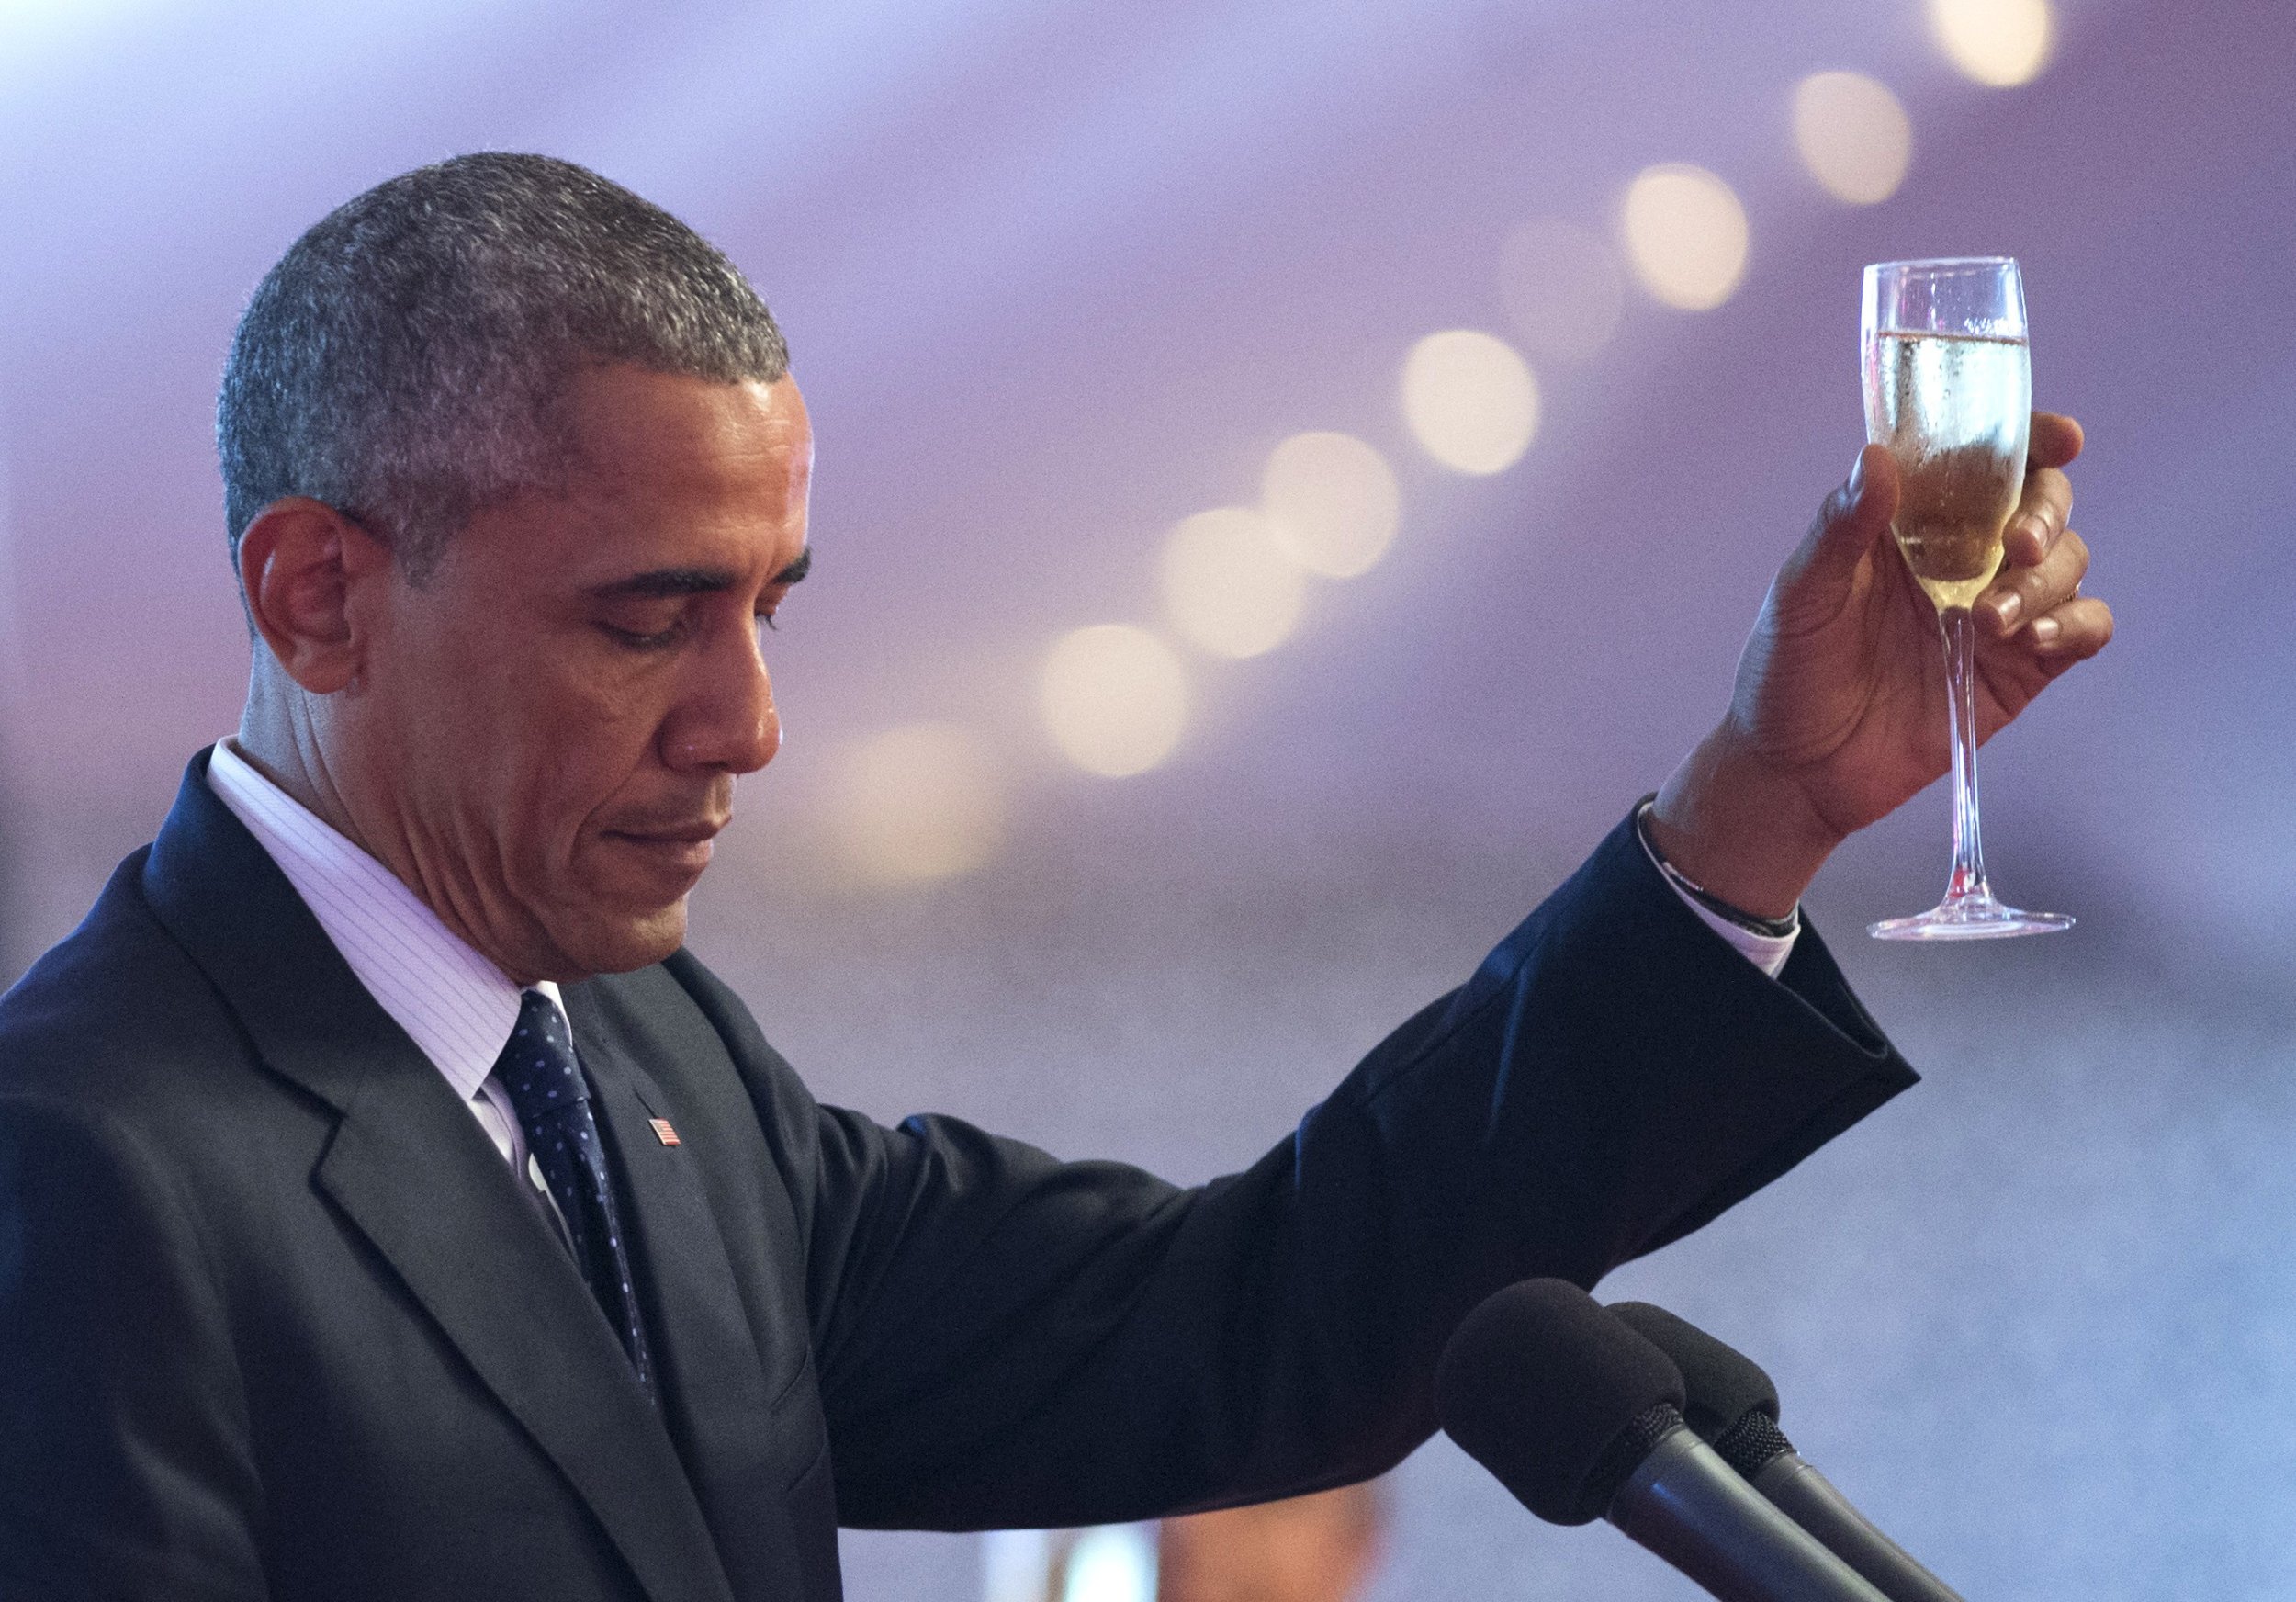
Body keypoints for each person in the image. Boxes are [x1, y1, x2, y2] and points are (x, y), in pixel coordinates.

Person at [0, 153, 2110, 1602]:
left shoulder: (641, 1056)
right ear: (316, 594)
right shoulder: (78, 1167)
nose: (747, 721)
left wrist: (1759, 802)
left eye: (769, 608)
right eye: (646, 618)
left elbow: (1251, 1312)